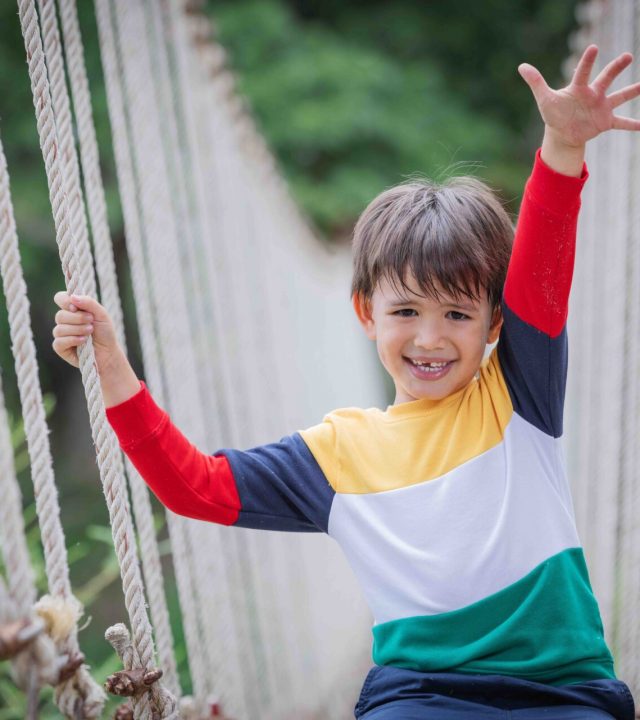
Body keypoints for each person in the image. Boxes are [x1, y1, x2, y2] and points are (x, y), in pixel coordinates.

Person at [53, 45, 640, 719]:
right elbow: (195, 488)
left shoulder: (519, 394)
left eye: (457, 313)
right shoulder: (337, 454)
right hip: (421, 696)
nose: (429, 338)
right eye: (405, 311)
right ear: (366, 313)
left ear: (496, 324)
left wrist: (563, 147)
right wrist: (111, 368)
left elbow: (541, 268)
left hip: (560, 694)